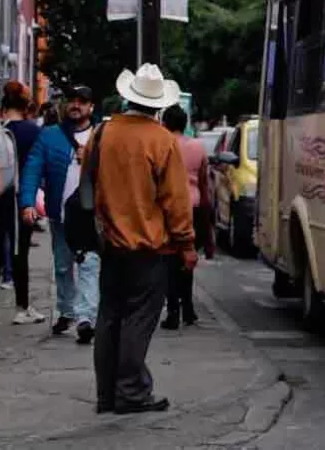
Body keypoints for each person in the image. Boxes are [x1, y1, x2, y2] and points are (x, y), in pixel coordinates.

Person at [93, 64, 196, 415]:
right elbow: (176, 202)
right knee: (139, 318)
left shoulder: (102, 134)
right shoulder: (162, 140)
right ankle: (132, 392)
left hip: (109, 243)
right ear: (158, 106)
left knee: (108, 316)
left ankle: (106, 394)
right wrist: (187, 245)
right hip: (149, 246)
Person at [20, 85, 101, 344]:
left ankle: (86, 317)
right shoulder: (50, 136)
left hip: (91, 215)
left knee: (89, 265)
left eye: (83, 101)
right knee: (63, 266)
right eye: (72, 101)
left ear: (91, 107)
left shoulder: (102, 137)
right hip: (60, 214)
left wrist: (90, 159)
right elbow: (32, 168)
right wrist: (27, 203)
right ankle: (67, 310)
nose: (76, 105)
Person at [0, 82, 47, 325]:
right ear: (26, 104)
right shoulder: (32, 131)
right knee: (20, 251)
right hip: (21, 197)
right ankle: (22, 307)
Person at [160, 105, 213, 330]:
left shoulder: (162, 146)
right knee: (187, 259)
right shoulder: (198, 147)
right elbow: (204, 181)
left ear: (164, 123)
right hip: (194, 205)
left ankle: (173, 311)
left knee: (170, 261)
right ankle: (188, 309)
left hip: (169, 207)